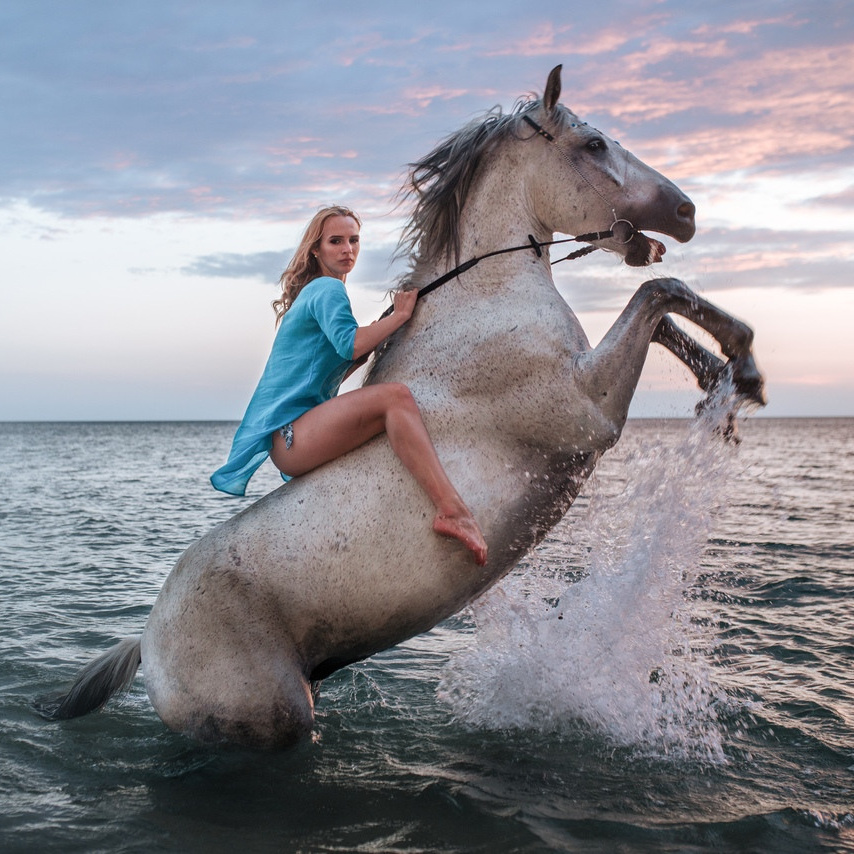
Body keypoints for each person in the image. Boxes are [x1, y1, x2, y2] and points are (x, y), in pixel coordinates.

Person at [211, 205, 488, 566]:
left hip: (295, 434)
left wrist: (375, 335)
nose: (347, 249)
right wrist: (400, 316)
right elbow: (351, 345)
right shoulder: (327, 289)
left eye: (354, 240)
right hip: (293, 435)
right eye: (335, 241)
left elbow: (334, 367)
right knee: (396, 398)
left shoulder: (316, 292)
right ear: (316, 250)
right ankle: (452, 511)